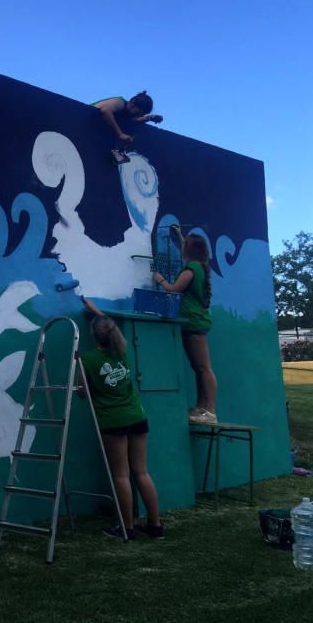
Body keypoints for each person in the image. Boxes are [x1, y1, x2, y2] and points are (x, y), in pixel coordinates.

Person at [79, 297, 164, 541]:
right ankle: (155, 525)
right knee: (142, 472)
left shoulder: (88, 360)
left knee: (121, 475)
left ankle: (126, 528)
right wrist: (96, 310)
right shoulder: (121, 352)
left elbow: (82, 393)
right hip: (137, 417)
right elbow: (109, 326)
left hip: (113, 422)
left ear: (93, 336)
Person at [153, 231, 217, 425]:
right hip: (197, 322)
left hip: (194, 324)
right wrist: (181, 236)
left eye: (183, 246)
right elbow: (188, 248)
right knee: (199, 368)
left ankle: (210, 411)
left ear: (187, 250)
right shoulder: (200, 267)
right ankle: (201, 408)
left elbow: (173, 289)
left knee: (203, 368)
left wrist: (160, 279)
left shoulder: (189, 270)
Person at [93, 91, 163, 163]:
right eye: (137, 113)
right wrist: (120, 134)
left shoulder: (127, 112)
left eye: (140, 115)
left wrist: (150, 118)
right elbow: (105, 110)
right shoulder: (119, 102)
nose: (137, 116)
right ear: (132, 103)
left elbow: (135, 120)